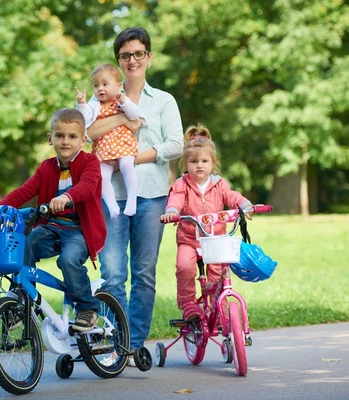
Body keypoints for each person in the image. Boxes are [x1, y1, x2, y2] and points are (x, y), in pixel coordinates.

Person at [86, 26, 183, 359]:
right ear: (118, 61)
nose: (132, 60)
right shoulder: (104, 95)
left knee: (144, 273)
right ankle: (117, 340)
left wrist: (131, 157)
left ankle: (134, 344)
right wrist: (124, 122)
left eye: (138, 53)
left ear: (149, 57)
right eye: (125, 55)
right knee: (113, 273)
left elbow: (176, 145)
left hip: (152, 194)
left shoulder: (164, 101)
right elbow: (88, 133)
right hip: (111, 194)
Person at [0, 108, 106, 332]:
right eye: (59, 136)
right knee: (25, 246)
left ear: (83, 140)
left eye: (72, 136)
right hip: (52, 228)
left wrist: (67, 196)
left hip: (80, 230)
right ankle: (22, 304)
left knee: (68, 260)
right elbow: (24, 192)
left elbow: (88, 186)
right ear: (50, 138)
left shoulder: (90, 162)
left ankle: (87, 308)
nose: (65, 141)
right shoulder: (46, 168)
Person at [160, 124, 253, 321]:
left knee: (218, 273)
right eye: (194, 161)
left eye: (204, 161)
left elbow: (231, 196)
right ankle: (188, 305)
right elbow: (175, 200)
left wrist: (244, 205)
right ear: (185, 164)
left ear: (213, 163)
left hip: (216, 240)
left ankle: (219, 307)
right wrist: (171, 211)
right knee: (184, 267)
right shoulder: (181, 185)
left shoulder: (219, 184)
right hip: (189, 240)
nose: (199, 165)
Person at [75, 63, 142, 220]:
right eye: (96, 86)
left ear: (118, 86)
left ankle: (132, 199)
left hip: (123, 144)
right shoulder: (94, 105)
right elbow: (83, 121)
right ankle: (112, 205)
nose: (100, 89)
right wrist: (81, 104)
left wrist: (123, 101)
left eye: (105, 84)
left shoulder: (121, 101)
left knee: (127, 166)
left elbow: (135, 115)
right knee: (102, 176)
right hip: (103, 148)